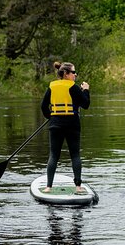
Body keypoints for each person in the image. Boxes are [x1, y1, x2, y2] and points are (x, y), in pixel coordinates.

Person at [40, 61, 90, 194]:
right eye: (73, 72)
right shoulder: (73, 87)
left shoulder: (52, 86)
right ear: (66, 74)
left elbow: (44, 106)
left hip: (55, 125)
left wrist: (50, 117)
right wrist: (85, 90)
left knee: (54, 156)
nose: (75, 75)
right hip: (72, 125)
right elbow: (85, 104)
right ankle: (78, 187)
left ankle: (48, 187)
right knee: (75, 155)